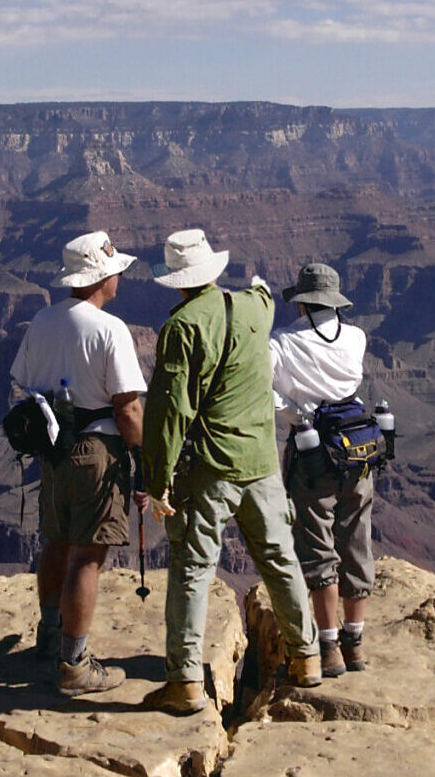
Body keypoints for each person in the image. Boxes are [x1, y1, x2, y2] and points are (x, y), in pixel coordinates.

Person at [139, 227, 321, 715]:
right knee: (280, 559)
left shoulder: (181, 327)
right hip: (262, 464)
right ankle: (307, 659)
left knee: (193, 568)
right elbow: (263, 290)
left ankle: (184, 683)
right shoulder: (255, 308)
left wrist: (157, 482)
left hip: (211, 469)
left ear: (177, 281)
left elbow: (170, 410)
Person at [10, 230, 148, 695]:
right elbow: (128, 408)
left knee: (57, 542)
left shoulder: (42, 322)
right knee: (88, 555)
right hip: (96, 453)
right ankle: (75, 664)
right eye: (115, 272)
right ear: (101, 277)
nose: (119, 279)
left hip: (52, 451)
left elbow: (22, 384)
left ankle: (48, 638)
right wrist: (143, 459)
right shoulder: (109, 329)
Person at [270, 262, 374, 676]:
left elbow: (268, 392)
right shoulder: (356, 336)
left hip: (313, 455)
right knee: (356, 538)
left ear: (301, 302)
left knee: (317, 544)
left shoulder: (281, 343)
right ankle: (356, 644)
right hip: (359, 450)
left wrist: (294, 410)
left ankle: (328, 647)